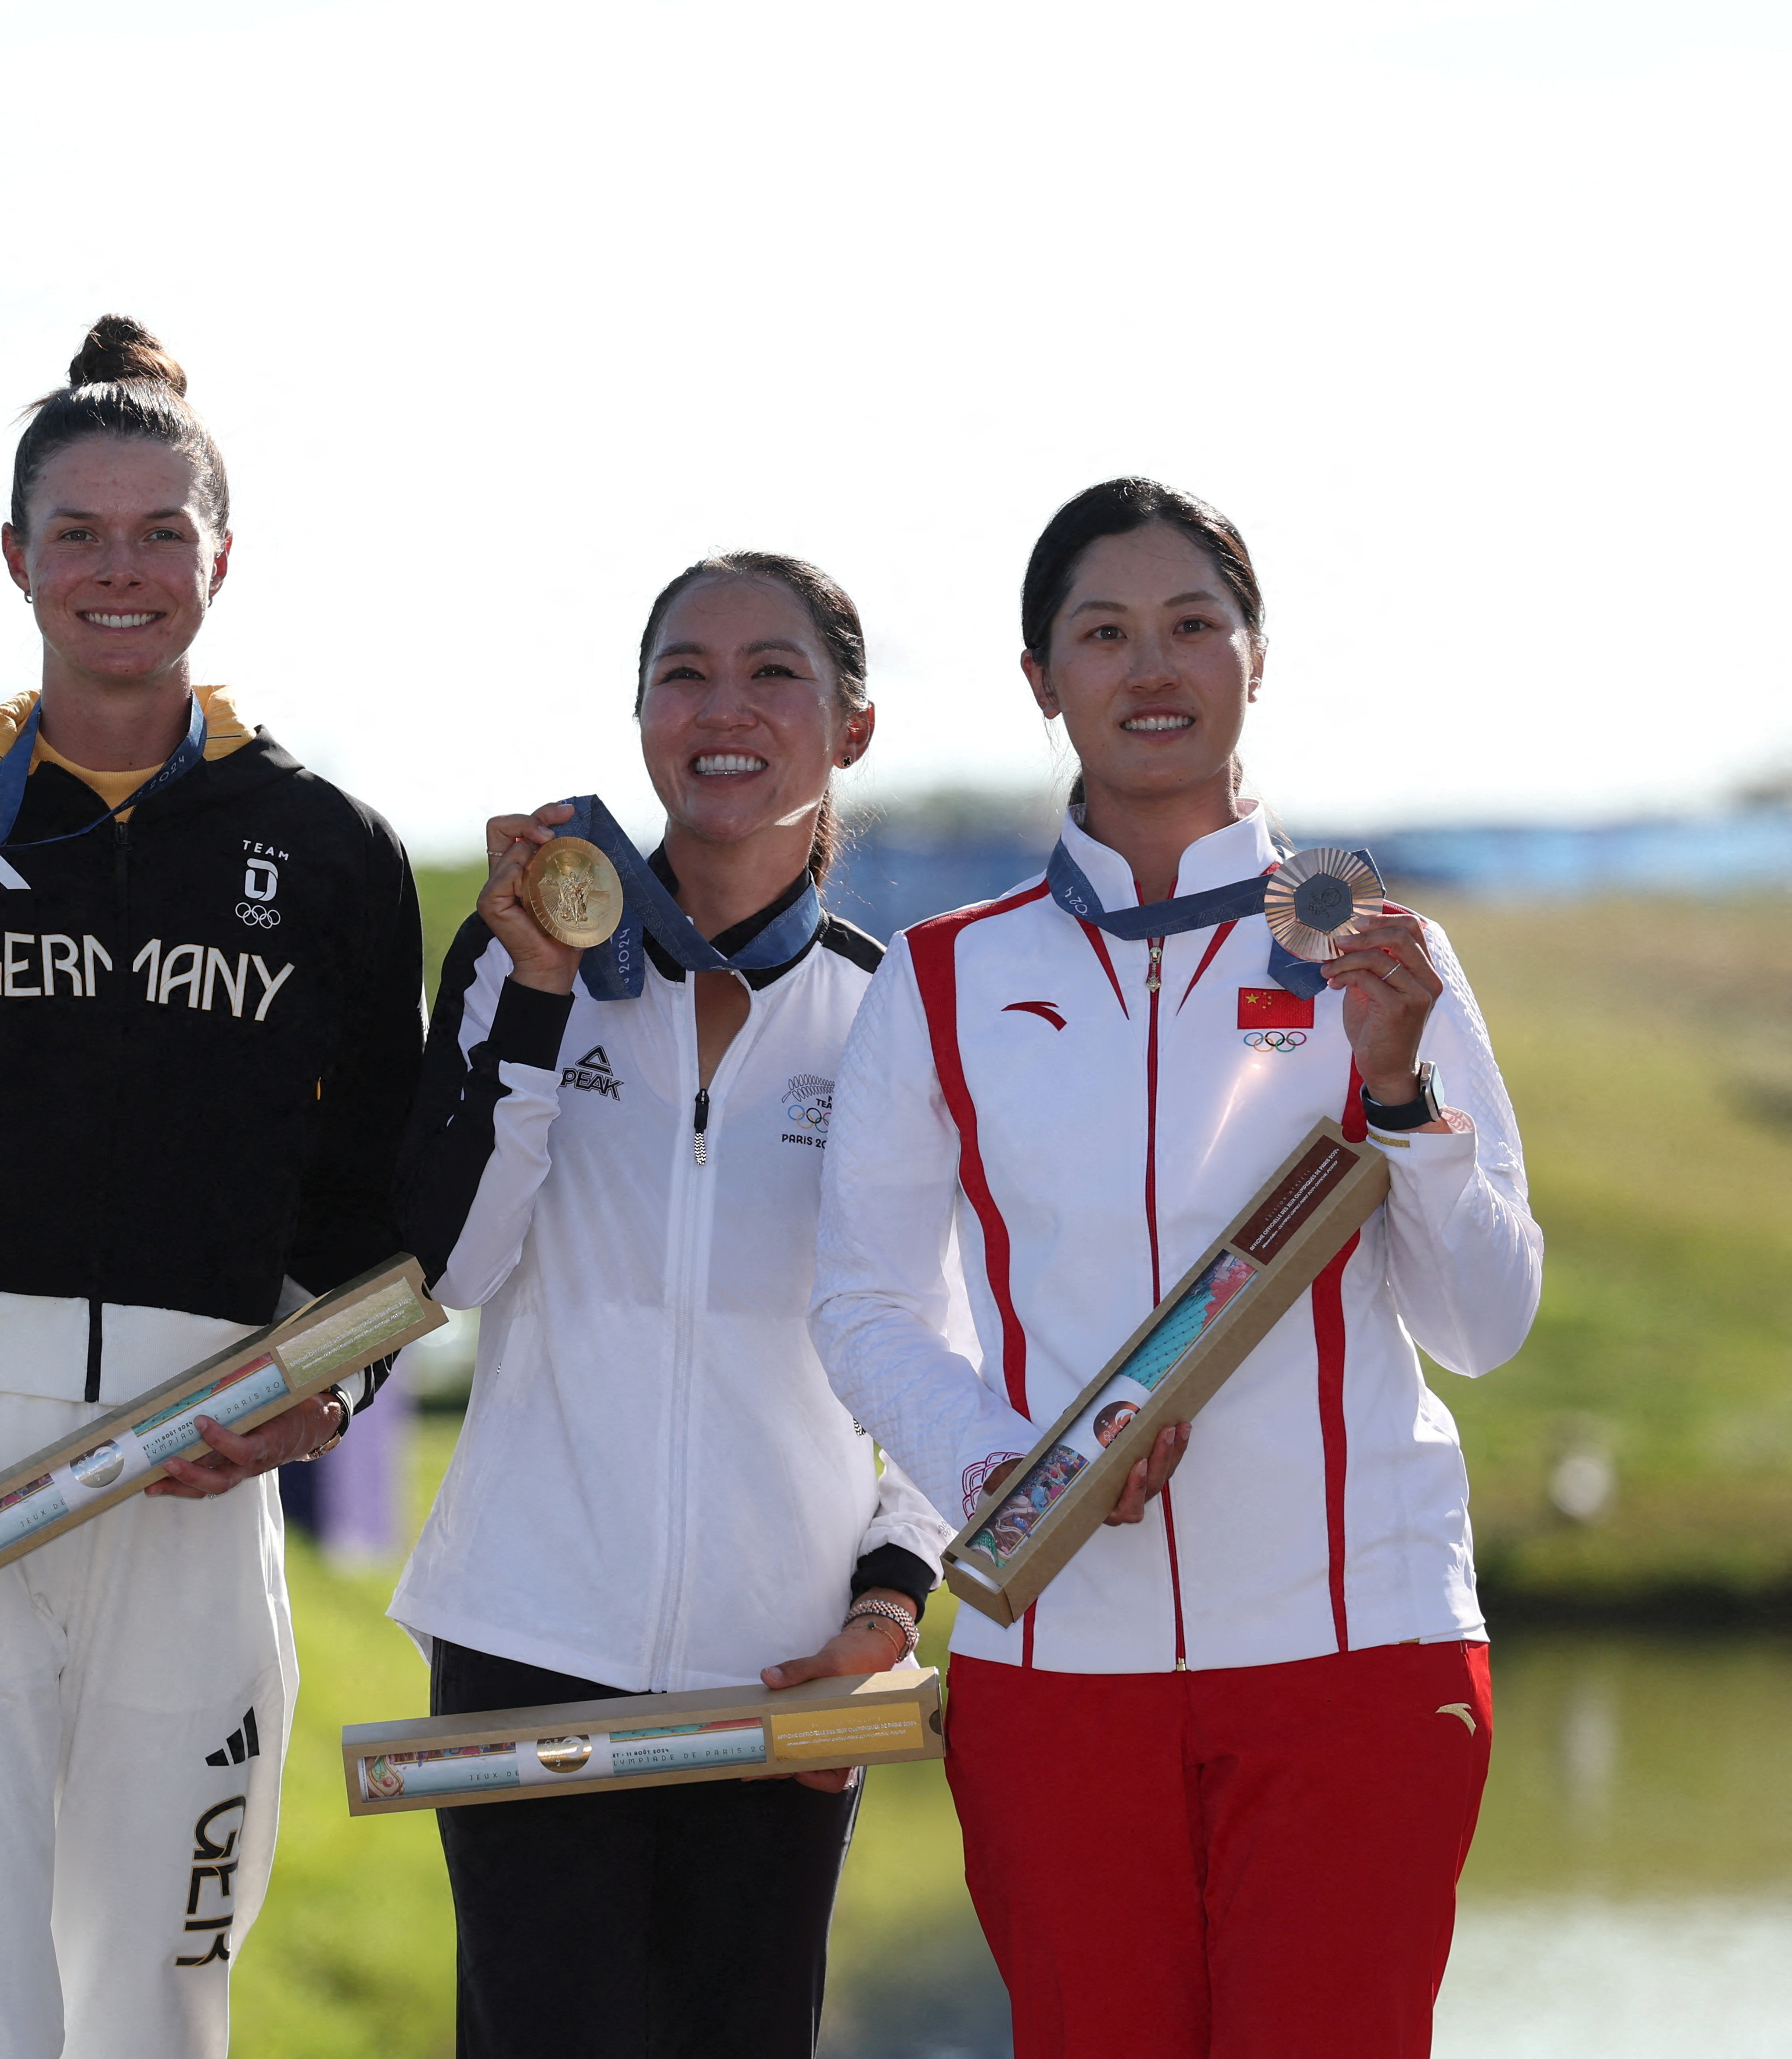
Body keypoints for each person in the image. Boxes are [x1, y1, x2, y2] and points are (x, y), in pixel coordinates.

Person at [0, 315, 424, 2059]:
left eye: (157, 533)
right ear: (14, 559)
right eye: (79, 535)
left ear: (219, 556)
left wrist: (312, 1391)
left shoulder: (329, 850)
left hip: (204, 1457)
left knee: (160, 2003)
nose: (119, 571)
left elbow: (376, 1207)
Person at [811, 479, 1542, 2058]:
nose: (1152, 666)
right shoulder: (945, 974)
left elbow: (1485, 1322)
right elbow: (863, 1304)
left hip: (1358, 1655)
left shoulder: (1375, 954)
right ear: (1039, 679)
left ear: (1254, 657)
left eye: (1192, 623)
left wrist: (1401, 1090)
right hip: (1057, 1662)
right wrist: (1015, 1467)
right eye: (1102, 631)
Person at [391, 551, 956, 2057]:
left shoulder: (891, 1013)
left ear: (851, 726)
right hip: (526, 1632)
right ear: (638, 712)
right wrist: (529, 998)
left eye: (773, 671)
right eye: (681, 671)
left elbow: (934, 1350)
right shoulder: (524, 952)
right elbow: (445, 1269)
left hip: (782, 1663)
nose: (723, 705)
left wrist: (888, 1599)